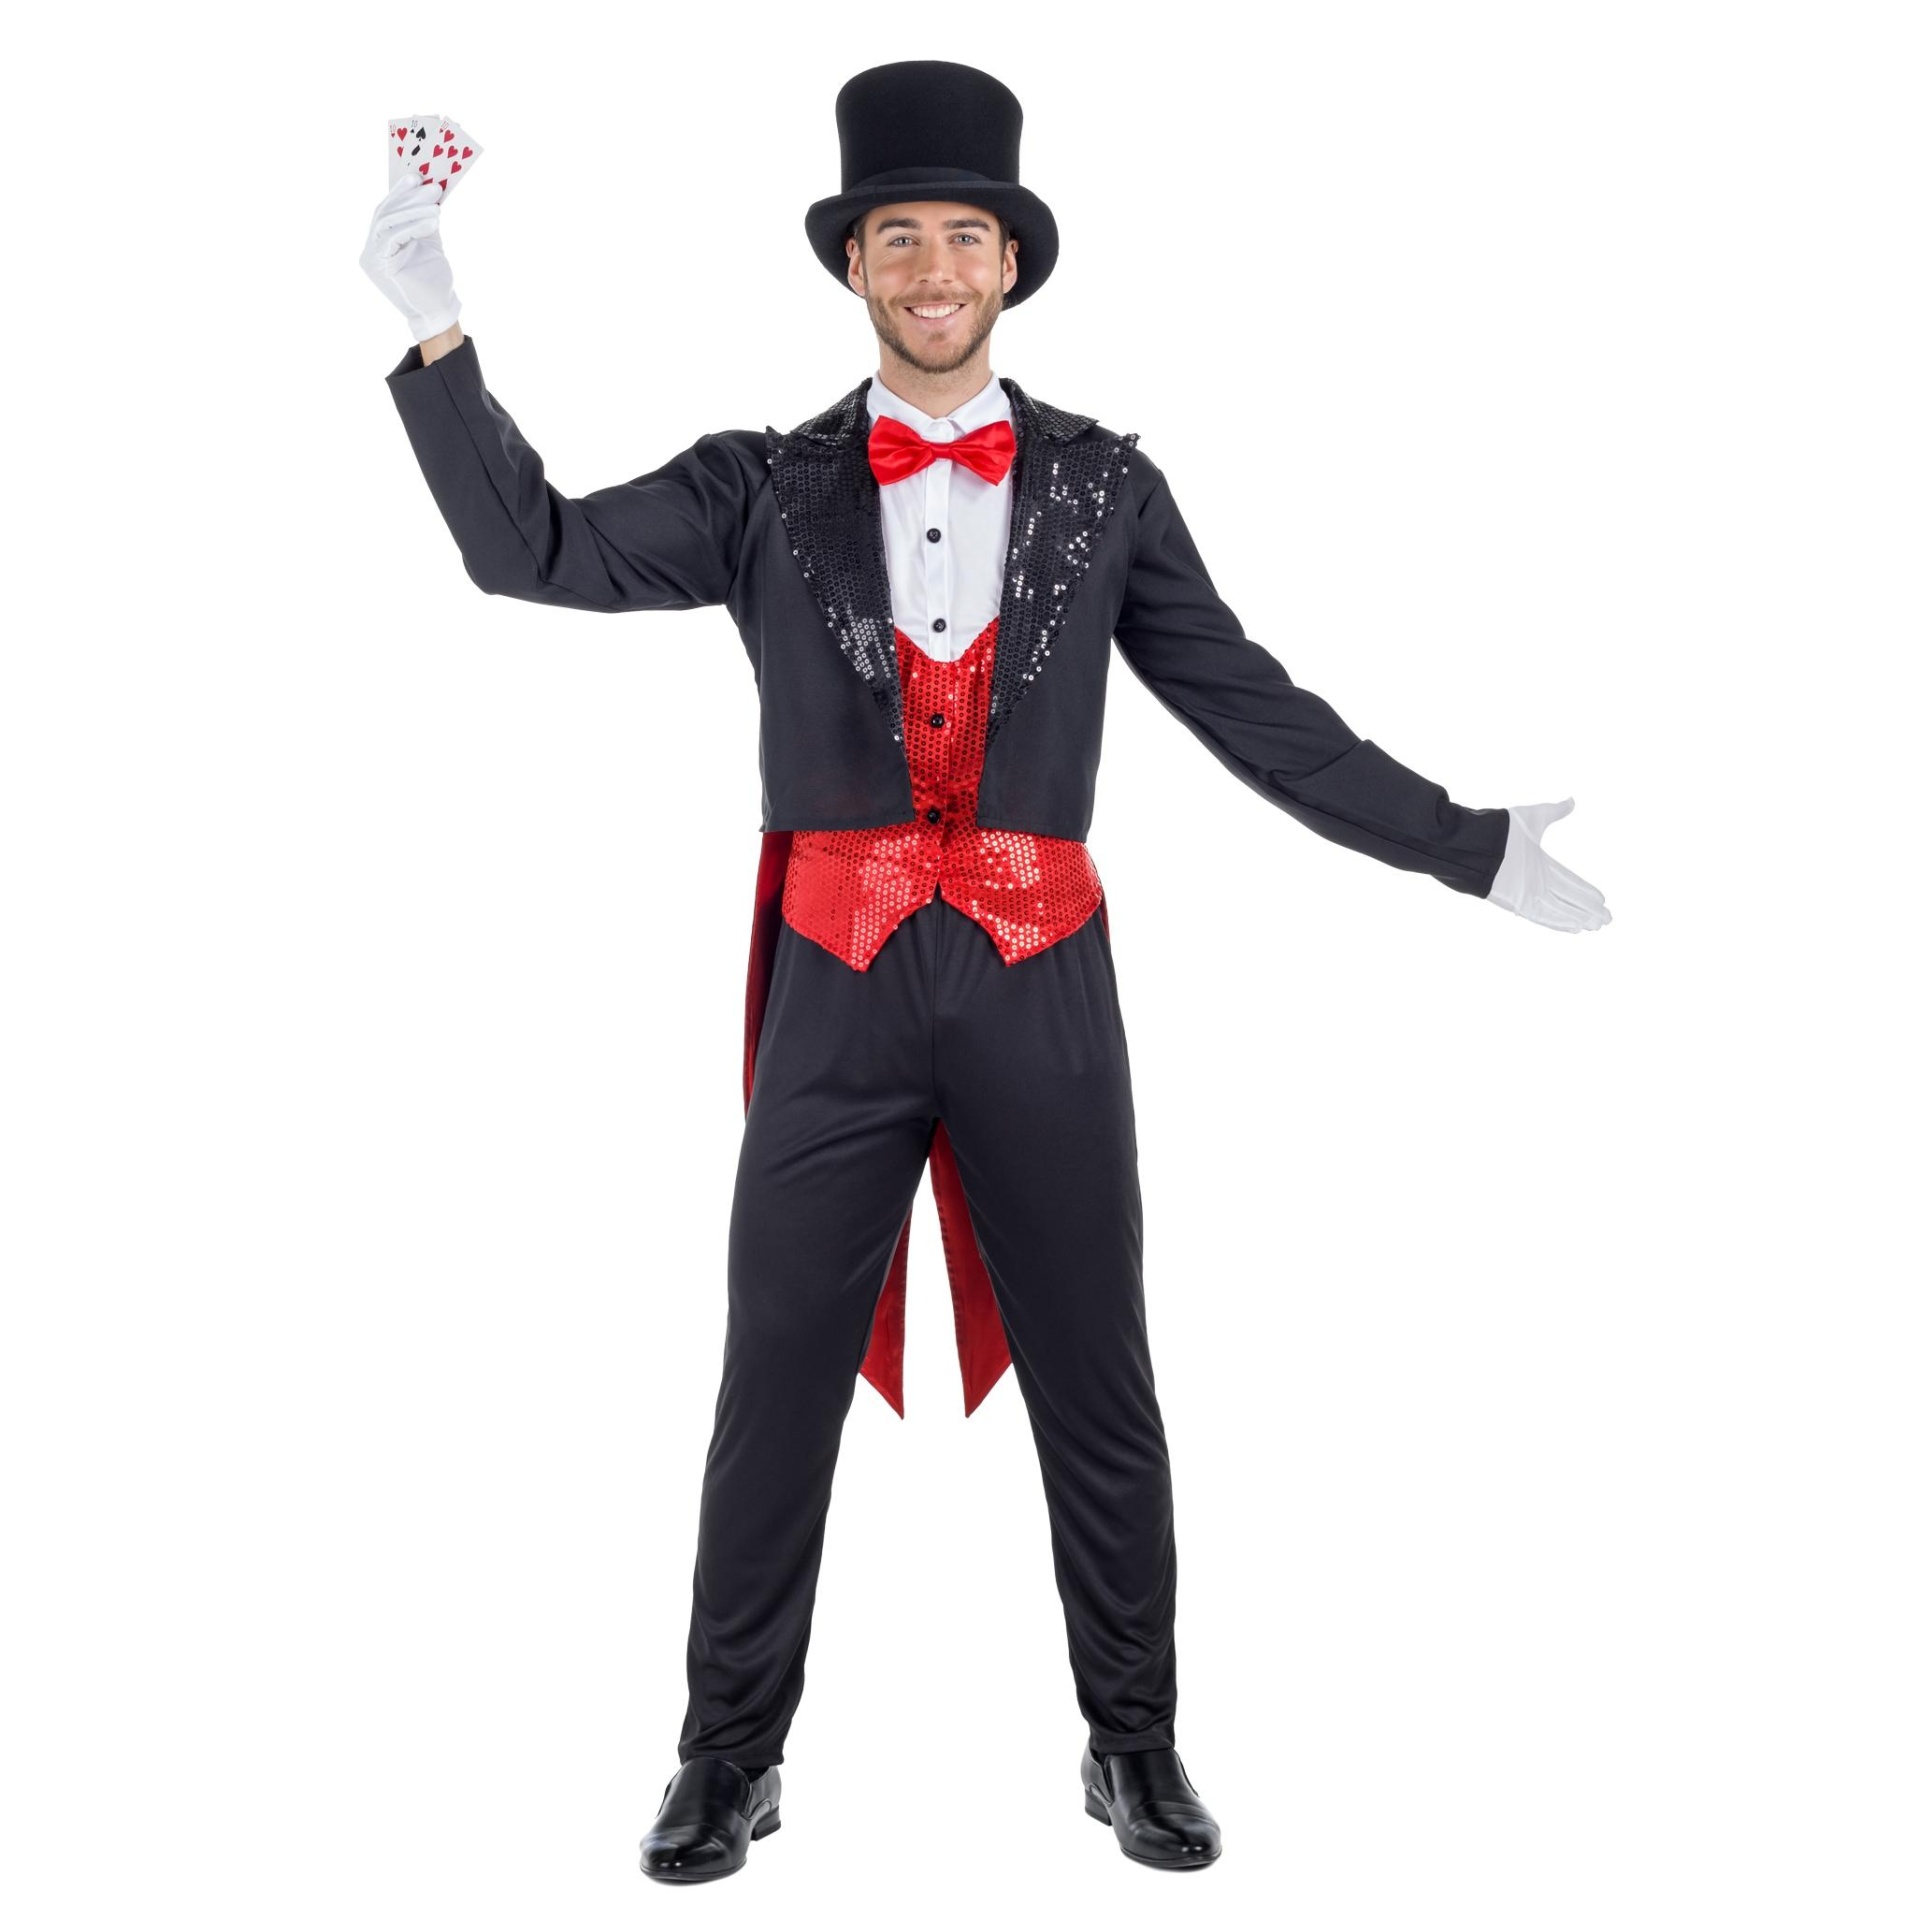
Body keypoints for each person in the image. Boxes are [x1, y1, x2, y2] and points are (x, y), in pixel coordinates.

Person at [361, 57, 1609, 1884]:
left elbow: (1250, 707)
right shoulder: (760, 484)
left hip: (1041, 977)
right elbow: (525, 547)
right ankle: (727, 1757)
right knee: (773, 1378)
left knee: (1099, 1369)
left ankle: (1134, 1742)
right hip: (838, 981)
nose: (934, 268)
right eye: (900, 238)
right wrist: (435, 327)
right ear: (852, 264)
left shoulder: (1106, 486)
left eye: (965, 237)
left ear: (1011, 262)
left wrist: (1465, 842)